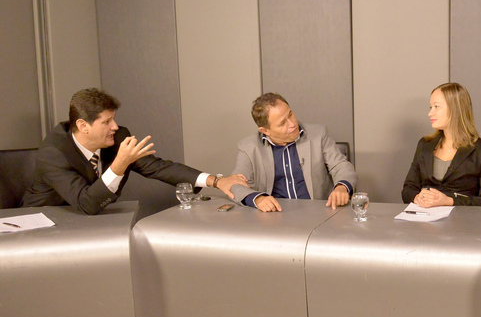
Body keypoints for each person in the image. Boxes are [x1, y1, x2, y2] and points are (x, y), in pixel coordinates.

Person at [23, 88, 246, 215]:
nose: (115, 127)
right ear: (83, 126)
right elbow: (86, 204)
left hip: (90, 221)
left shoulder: (118, 136)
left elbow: (156, 167)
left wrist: (216, 181)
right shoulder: (53, 153)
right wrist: (118, 165)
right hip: (45, 221)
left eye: (114, 119)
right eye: (106, 121)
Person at [229, 93, 357, 212]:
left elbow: (341, 166)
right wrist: (258, 199)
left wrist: (342, 187)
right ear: (265, 131)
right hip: (276, 216)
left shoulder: (318, 134)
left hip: (319, 212)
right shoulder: (249, 147)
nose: (292, 124)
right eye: (282, 123)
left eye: (290, 114)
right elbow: (235, 184)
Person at [401, 82, 481, 207]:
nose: (430, 113)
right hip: (424, 215)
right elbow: (408, 189)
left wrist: (449, 201)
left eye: (436, 107)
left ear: (455, 109)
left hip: (462, 217)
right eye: (430, 107)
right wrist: (417, 198)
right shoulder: (425, 145)